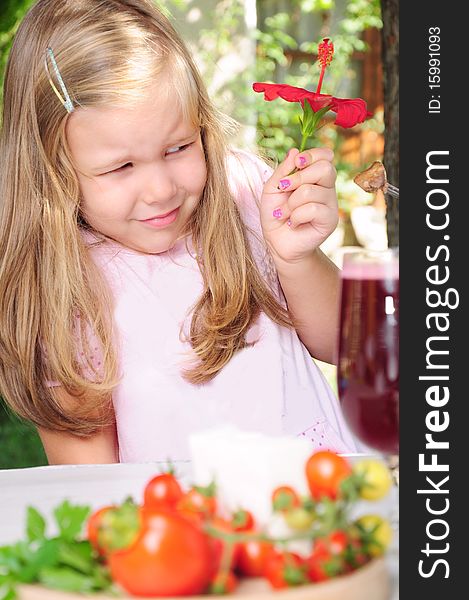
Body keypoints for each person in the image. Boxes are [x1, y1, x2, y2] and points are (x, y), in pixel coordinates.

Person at [0, 0, 361, 465]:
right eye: (120, 167)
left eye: (179, 147)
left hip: (325, 512)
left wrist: (296, 259)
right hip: (187, 533)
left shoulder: (245, 196)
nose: (161, 189)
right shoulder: (64, 292)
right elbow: (91, 489)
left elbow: (345, 344)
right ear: (51, 170)